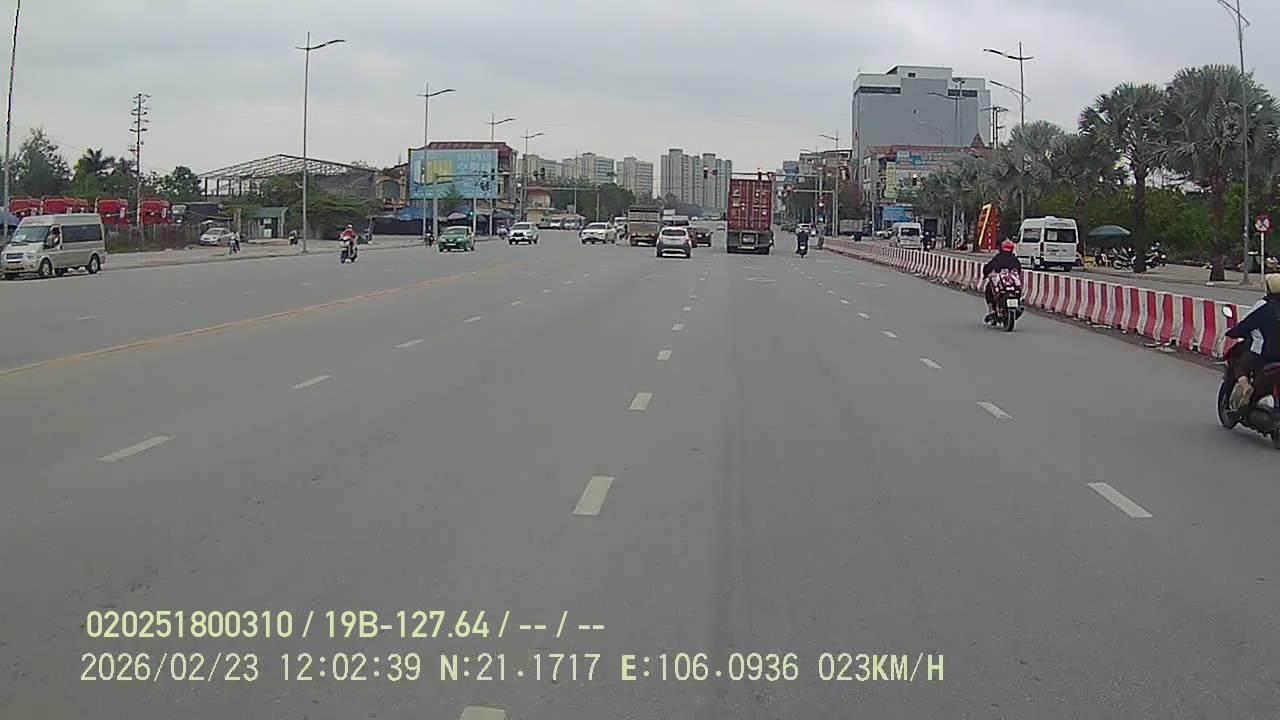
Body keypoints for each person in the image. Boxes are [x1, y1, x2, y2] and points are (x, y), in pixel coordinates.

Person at [1224, 274, 1280, 412]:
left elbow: (1246, 324)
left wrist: (1232, 332)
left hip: (1265, 355)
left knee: (1239, 364)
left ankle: (1245, 387)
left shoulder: (1263, 306)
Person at [982, 239, 1023, 321]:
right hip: (1012, 286)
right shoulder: (1015, 259)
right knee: (1018, 290)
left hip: (1003, 285)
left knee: (989, 289)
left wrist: (985, 274)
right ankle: (1017, 305)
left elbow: (988, 267)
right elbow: (1019, 270)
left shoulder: (998, 258)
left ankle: (992, 310)